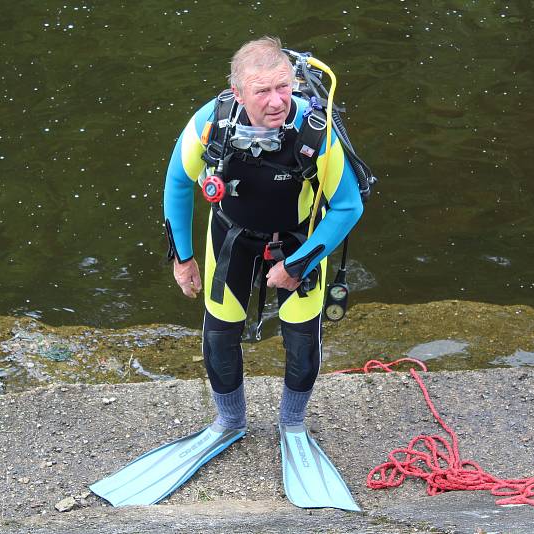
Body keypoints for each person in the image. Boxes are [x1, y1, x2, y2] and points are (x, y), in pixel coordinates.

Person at [91, 37, 363, 510]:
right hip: (231, 238)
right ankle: (228, 422)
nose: (277, 101)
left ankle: (293, 425)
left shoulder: (315, 133)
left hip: (300, 238)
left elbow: (347, 205)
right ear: (237, 93)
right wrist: (183, 256)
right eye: (262, 91)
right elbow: (177, 182)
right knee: (219, 333)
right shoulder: (208, 126)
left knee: (302, 335)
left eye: (284, 87)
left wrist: (298, 264)